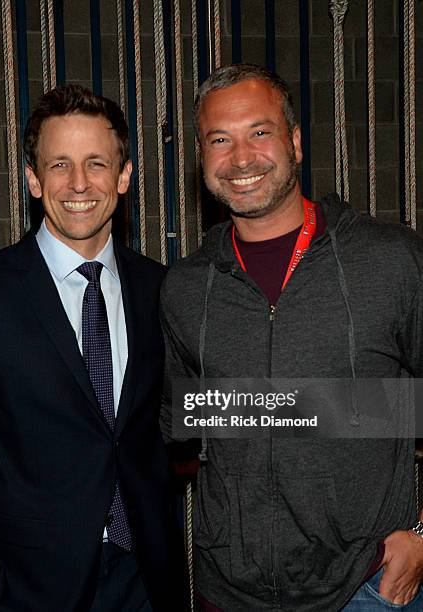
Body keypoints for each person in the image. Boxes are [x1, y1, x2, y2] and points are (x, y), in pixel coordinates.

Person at [160, 64, 423, 611]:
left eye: (260, 132)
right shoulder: (186, 286)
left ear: (295, 142)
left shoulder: (393, 261)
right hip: (229, 594)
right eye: (219, 140)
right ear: (201, 158)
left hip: (368, 588)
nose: (240, 158)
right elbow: (186, 430)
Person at [0, 84, 185, 612]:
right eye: (59, 165)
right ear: (33, 180)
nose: (79, 184)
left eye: (96, 163)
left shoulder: (163, 290)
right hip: (20, 587)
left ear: (124, 174)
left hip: (146, 581)